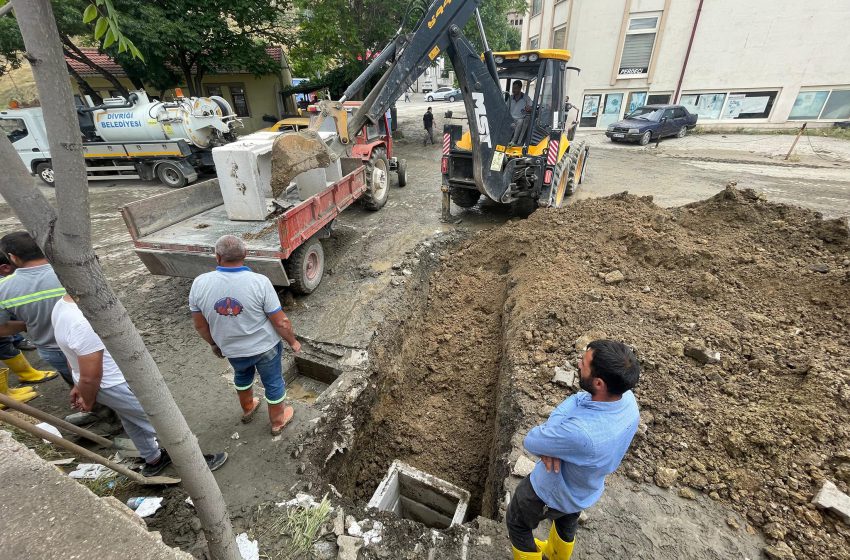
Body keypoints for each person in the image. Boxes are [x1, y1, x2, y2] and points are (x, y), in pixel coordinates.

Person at [51, 294, 227, 476]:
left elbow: (70, 353)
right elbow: (91, 376)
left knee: (131, 420)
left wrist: (77, 383)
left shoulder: (61, 306)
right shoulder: (83, 321)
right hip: (114, 383)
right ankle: (196, 463)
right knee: (162, 421)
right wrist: (87, 399)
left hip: (102, 383)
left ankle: (153, 459)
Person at [506, 340, 640, 560]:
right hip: (583, 489)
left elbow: (532, 441)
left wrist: (554, 437)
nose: (578, 363)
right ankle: (555, 555)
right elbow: (579, 397)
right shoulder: (626, 400)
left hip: (549, 492)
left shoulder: (581, 434)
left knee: (517, 524)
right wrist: (557, 439)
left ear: (598, 383)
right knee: (567, 521)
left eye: (584, 363)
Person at [189, 235, 301, 436]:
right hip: (264, 347)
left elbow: (200, 325)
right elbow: (281, 321)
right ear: (245, 255)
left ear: (217, 257)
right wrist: (292, 341)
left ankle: (248, 408)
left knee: (241, 376)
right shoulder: (260, 282)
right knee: (273, 382)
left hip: (232, 349)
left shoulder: (199, 283)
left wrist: (215, 344)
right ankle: (277, 421)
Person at [0, 232, 68, 386]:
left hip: (52, 349)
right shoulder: (71, 272)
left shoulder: (3, 288)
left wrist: (28, 324)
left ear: (13, 257)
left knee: (74, 379)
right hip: (91, 342)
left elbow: (1, 329)